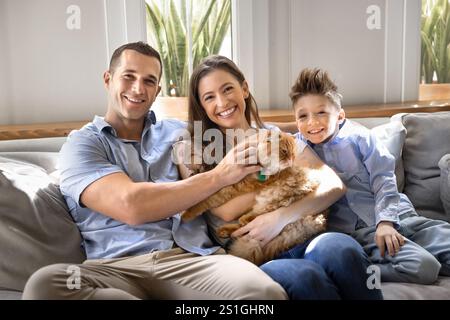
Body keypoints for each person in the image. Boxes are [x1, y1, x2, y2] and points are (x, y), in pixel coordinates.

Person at [21, 42, 290, 300]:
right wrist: (219, 175)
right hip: (114, 268)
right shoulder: (82, 145)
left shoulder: (180, 132)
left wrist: (316, 123)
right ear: (108, 79)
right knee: (45, 285)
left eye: (149, 81)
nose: (138, 89)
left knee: (265, 294)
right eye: (128, 77)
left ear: (157, 89)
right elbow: (131, 206)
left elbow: (233, 122)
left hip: (191, 260)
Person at [176, 55, 383, 299]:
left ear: (244, 89)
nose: (222, 102)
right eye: (209, 97)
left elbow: (333, 184)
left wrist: (280, 216)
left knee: (341, 249)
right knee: (305, 277)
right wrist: (287, 179)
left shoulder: (275, 136)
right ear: (201, 104)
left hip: (303, 232)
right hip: (256, 251)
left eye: (227, 89)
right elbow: (225, 211)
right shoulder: (194, 148)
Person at [290, 68, 450, 284]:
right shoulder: (296, 147)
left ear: (340, 115)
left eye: (321, 113)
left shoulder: (359, 138)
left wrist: (386, 222)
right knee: (423, 267)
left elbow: (383, 178)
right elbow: (267, 152)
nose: (312, 122)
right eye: (303, 116)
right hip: (362, 233)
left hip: (402, 216)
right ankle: (350, 271)